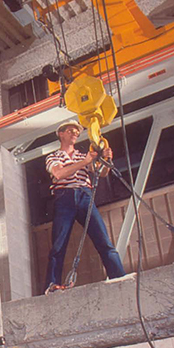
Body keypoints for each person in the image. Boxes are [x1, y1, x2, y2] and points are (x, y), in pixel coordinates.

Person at [44, 120, 125, 294]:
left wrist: (107, 159)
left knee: (103, 240)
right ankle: (51, 285)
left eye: (77, 131)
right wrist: (86, 161)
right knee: (59, 245)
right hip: (64, 197)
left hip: (84, 196)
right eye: (71, 130)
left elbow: (101, 173)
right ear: (61, 134)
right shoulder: (54, 157)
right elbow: (59, 173)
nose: (75, 133)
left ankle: (119, 276)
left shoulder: (83, 156)